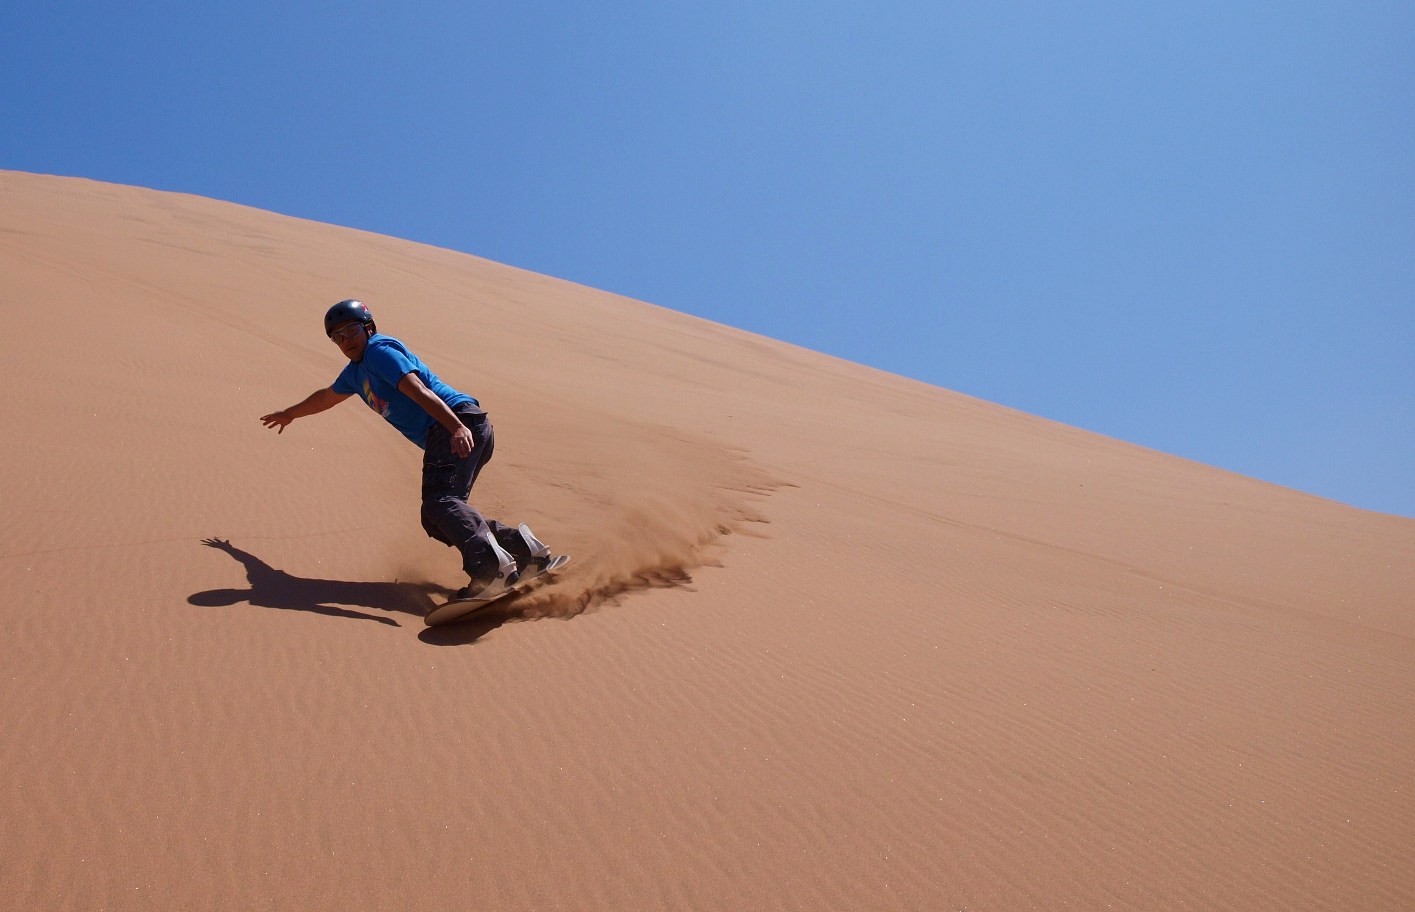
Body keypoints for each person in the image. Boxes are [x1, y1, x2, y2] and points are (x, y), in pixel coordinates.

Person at [260, 299, 551, 599]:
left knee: (440, 503)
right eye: (338, 337)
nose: (346, 341)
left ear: (368, 328)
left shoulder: (379, 352)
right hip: (457, 428)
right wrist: (290, 413)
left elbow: (417, 389)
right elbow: (325, 397)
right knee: (438, 516)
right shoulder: (354, 373)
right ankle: (523, 549)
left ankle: (492, 570)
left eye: (351, 331)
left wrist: (455, 427)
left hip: (453, 423)